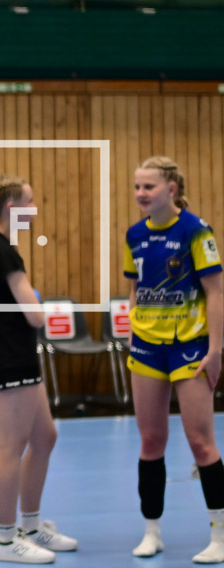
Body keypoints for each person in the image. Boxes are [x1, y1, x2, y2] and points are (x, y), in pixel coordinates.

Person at [0, 175, 76, 564]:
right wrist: (41, 305)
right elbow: (35, 315)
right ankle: (6, 540)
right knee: (12, 448)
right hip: (11, 357)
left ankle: (30, 525)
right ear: (11, 208)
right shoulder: (4, 251)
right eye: (30, 202)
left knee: (45, 437)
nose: (35, 209)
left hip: (11, 355)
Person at [125, 157, 224, 562]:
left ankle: (219, 535)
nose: (140, 194)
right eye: (136, 187)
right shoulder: (134, 235)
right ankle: (152, 532)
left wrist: (216, 350)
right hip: (148, 347)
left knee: (201, 443)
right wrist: (133, 336)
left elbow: (216, 292)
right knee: (151, 441)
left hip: (191, 346)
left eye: (148, 187)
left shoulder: (197, 232)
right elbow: (133, 290)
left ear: (171, 189)